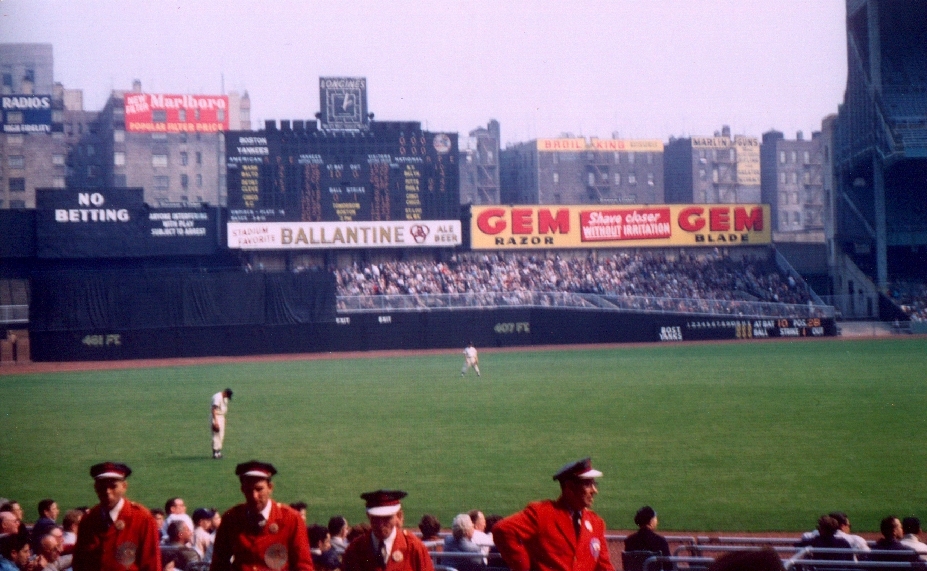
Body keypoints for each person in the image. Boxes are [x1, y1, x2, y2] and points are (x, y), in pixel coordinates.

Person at [492, 458, 613, 571]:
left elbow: (604, 565)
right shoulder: (541, 513)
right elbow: (502, 529)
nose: (594, 490)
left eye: (594, 484)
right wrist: (523, 566)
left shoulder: (596, 523)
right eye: (587, 484)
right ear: (570, 487)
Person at [209, 460, 312, 571]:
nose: (254, 496)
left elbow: (303, 566)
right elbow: (218, 564)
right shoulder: (231, 518)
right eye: (249, 490)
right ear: (242, 489)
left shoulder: (291, 518)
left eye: (259, 489)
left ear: (270, 488)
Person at [72, 462, 161, 571]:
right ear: (95, 487)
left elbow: (152, 564)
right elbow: (79, 563)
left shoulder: (142, 518)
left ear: (124, 486)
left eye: (113, 486)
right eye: (102, 487)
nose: (107, 491)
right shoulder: (88, 520)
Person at [341, 490, 434, 571]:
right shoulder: (355, 550)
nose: (380, 524)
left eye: (387, 518)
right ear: (368, 516)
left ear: (398, 516)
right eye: (376, 518)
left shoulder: (414, 547)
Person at [623, 506, 670, 571]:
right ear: (651, 522)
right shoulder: (660, 541)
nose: (657, 521)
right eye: (655, 518)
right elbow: (669, 566)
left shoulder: (630, 540)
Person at [211, 388, 233, 459]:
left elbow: (223, 409)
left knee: (221, 435)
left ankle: (218, 452)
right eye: (227, 396)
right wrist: (215, 421)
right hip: (216, 416)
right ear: (225, 393)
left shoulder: (225, 398)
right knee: (216, 435)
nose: (227, 397)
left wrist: (224, 418)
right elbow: (213, 409)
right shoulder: (217, 397)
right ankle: (215, 453)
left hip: (221, 417)